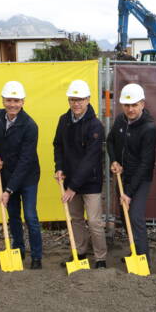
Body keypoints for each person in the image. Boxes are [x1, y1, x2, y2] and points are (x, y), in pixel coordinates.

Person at [53, 79, 107, 269]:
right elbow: (58, 145)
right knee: (75, 219)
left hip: (90, 182)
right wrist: (58, 167)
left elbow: (91, 159)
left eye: (80, 99)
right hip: (69, 179)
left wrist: (73, 187)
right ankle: (80, 253)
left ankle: (100, 258)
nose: (76, 103)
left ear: (88, 100)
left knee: (94, 221)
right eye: (72, 99)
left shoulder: (95, 126)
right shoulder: (64, 120)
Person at [0, 80, 43, 269]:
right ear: (3, 100)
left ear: (23, 102)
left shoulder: (30, 126)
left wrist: (9, 190)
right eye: (9, 100)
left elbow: (25, 161)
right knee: (13, 215)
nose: (12, 104)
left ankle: (36, 256)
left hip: (27, 176)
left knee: (30, 216)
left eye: (16, 101)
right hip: (7, 173)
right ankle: (18, 249)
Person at [106, 83, 156, 264]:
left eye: (134, 105)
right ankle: (134, 251)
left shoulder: (149, 128)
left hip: (141, 179)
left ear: (142, 104)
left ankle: (144, 260)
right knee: (124, 215)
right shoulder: (120, 120)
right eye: (127, 105)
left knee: (135, 216)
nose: (130, 109)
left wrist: (128, 193)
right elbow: (110, 141)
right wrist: (114, 160)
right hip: (123, 176)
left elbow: (146, 164)